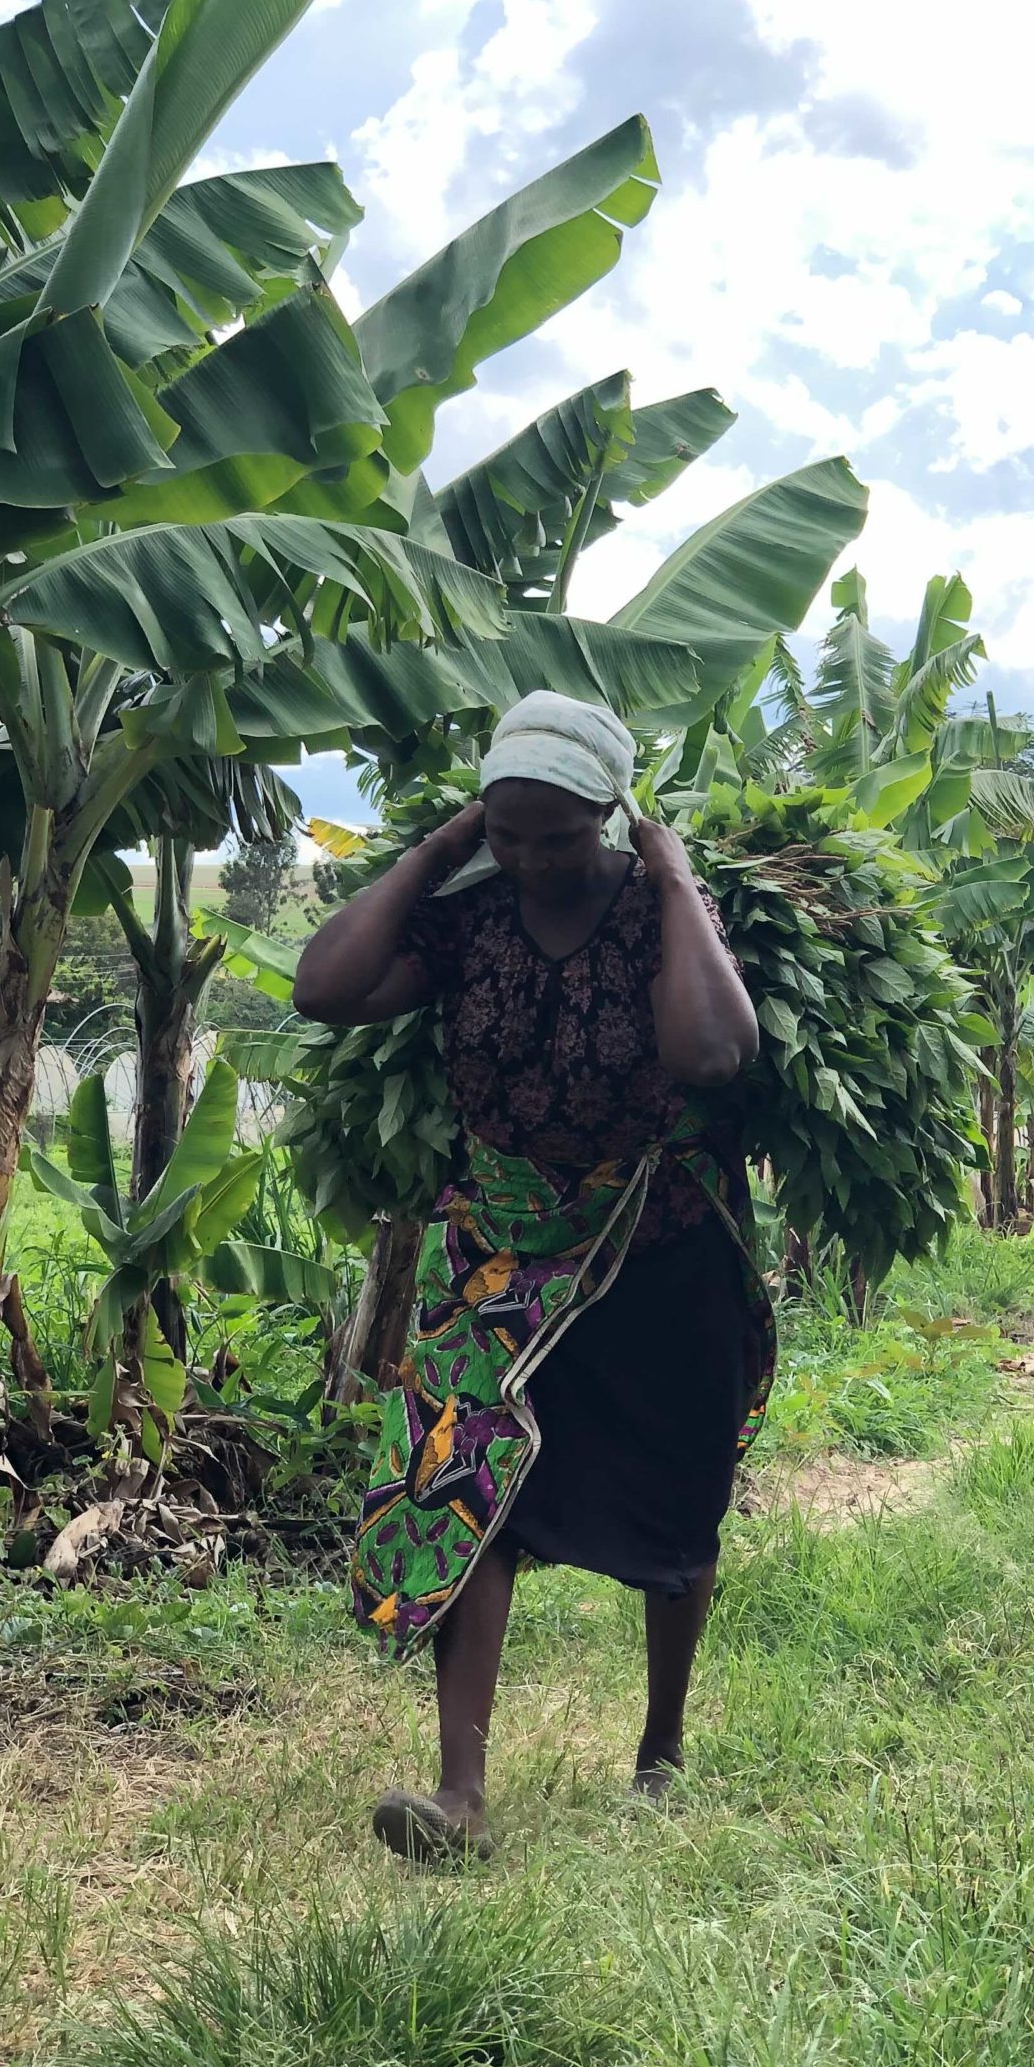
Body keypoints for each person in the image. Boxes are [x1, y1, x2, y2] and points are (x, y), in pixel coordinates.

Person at [293, 692, 773, 1864]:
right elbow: (325, 989)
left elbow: (713, 1052)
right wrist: (439, 851)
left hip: (655, 1245)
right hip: (502, 1244)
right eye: (511, 833)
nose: (535, 859)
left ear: (611, 814)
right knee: (465, 1474)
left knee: (679, 1504)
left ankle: (660, 1749)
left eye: (559, 835)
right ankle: (461, 1795)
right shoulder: (467, 922)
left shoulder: (657, 913)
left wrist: (672, 878)